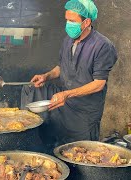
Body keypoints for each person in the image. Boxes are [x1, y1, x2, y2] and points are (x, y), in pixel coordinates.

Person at [21, 0, 117, 148]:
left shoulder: (103, 46)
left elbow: (99, 84)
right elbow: (62, 67)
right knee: (31, 89)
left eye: (72, 21)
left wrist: (67, 94)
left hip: (85, 110)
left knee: (81, 150)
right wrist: (46, 76)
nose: (68, 24)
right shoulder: (68, 40)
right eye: (67, 20)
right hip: (65, 102)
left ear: (86, 22)